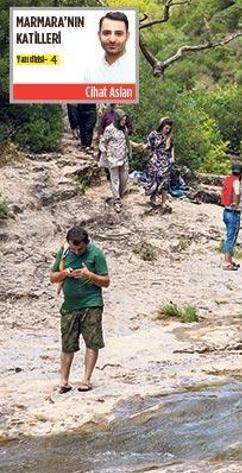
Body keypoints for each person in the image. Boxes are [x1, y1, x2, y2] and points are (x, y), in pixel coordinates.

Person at [49, 226, 111, 393]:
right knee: (67, 343)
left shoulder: (96, 254)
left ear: (86, 243)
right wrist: (65, 274)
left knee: (92, 341)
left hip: (92, 303)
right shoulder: (64, 253)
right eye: (73, 248)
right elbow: (53, 277)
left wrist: (89, 275)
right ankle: (63, 381)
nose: (76, 251)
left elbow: (106, 282)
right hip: (69, 306)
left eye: (80, 248)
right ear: (69, 243)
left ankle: (86, 379)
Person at [84, 11, 134, 84]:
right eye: (106, 33)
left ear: (127, 36)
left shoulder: (136, 69)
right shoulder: (90, 71)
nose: (112, 39)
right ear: (99, 35)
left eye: (118, 34)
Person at [97, 109, 131, 213]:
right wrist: (106, 153)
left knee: (124, 179)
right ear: (117, 118)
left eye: (125, 120)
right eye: (122, 120)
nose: (124, 122)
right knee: (115, 180)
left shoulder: (124, 129)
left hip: (123, 158)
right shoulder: (109, 129)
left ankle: (119, 196)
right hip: (112, 159)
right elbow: (103, 142)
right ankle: (117, 201)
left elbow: (126, 141)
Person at [144, 117, 175, 213]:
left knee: (165, 180)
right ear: (162, 126)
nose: (167, 130)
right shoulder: (154, 134)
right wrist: (144, 147)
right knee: (155, 176)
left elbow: (172, 148)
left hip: (165, 160)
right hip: (155, 158)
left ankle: (163, 202)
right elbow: (148, 144)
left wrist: (173, 158)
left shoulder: (170, 137)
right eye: (166, 128)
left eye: (169, 128)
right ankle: (153, 194)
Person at [220, 163, 242, 270]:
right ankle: (226, 261)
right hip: (233, 213)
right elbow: (237, 192)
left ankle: (229, 259)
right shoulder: (236, 181)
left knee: (230, 236)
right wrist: (236, 202)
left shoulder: (228, 179)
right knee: (231, 237)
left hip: (226, 211)